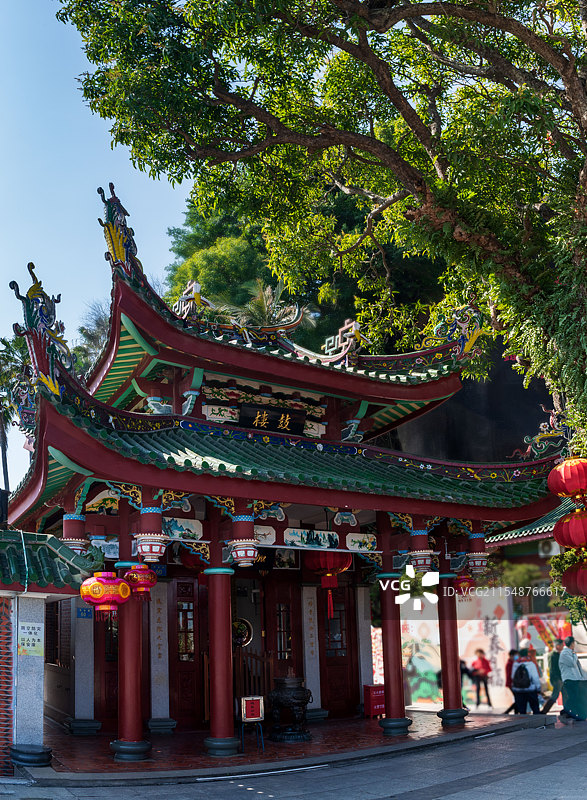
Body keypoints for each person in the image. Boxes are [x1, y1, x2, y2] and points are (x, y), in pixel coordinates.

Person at [559, 635, 587, 721]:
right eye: (574, 643)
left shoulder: (571, 652)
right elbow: (572, 663)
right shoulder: (564, 653)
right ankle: (565, 712)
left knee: (576, 697)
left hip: (576, 679)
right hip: (569, 679)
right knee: (573, 697)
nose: (574, 644)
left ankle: (577, 714)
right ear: (571, 643)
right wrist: (574, 655)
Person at [511, 647, 541, 713]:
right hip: (531, 689)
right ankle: (538, 722)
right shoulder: (531, 664)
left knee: (522, 711)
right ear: (527, 654)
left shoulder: (515, 664)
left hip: (518, 690)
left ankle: (523, 723)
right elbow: (535, 678)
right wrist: (538, 688)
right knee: (535, 709)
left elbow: (513, 677)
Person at [540, 639, 564, 714]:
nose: (563, 647)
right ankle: (544, 711)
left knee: (566, 695)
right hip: (557, 679)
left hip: (561, 678)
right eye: (562, 645)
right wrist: (557, 679)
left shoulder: (559, 654)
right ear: (557, 646)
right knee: (555, 695)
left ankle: (567, 711)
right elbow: (552, 669)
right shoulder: (552, 655)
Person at [504, 649, 519, 714]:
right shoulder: (510, 664)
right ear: (511, 656)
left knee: (517, 699)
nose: (517, 657)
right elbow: (511, 675)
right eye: (516, 655)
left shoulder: (512, 663)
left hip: (512, 684)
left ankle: (515, 713)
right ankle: (507, 712)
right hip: (511, 684)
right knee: (518, 699)